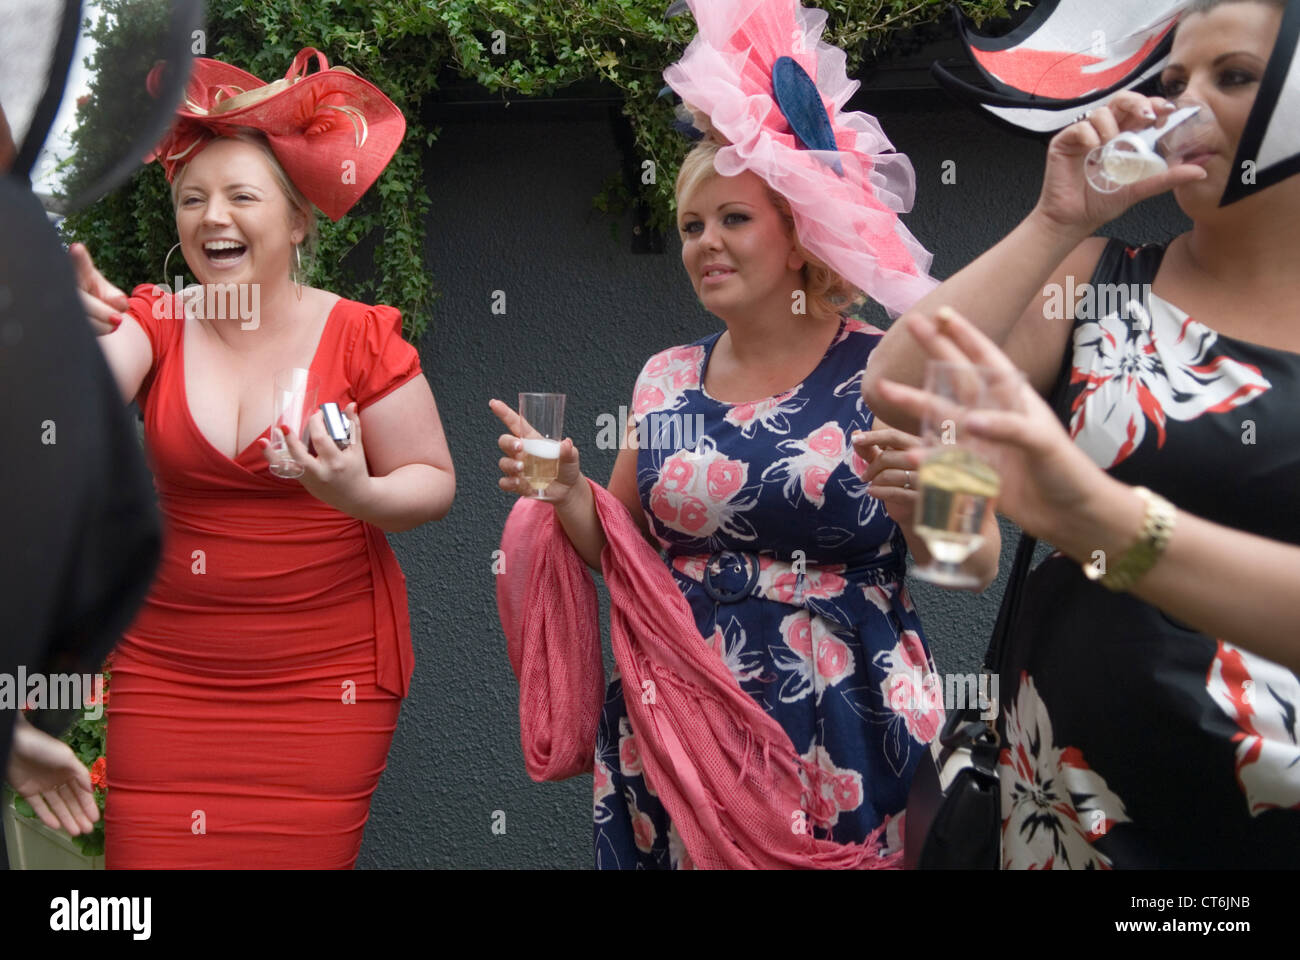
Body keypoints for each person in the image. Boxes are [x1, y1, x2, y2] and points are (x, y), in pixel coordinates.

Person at [493, 0, 976, 869]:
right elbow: (626, 554)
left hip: (844, 716)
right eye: (691, 226)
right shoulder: (665, 376)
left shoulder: (896, 366)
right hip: (680, 720)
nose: (706, 243)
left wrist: (929, 508)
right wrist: (567, 492)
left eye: (733, 219)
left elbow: (971, 558)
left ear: (799, 234)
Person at [863, 0, 1300, 868]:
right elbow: (899, 382)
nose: (1184, 105)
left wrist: (1102, 520)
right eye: (1172, 81)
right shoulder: (1097, 281)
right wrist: (1060, 218)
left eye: (1236, 76)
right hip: (1066, 812)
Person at [74, 48, 455, 868]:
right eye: (192, 199)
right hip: (167, 675)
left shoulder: (359, 335)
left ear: (297, 219)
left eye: (241, 196)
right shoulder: (160, 321)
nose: (213, 217)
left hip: (325, 682)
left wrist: (356, 490)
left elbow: (431, 484)